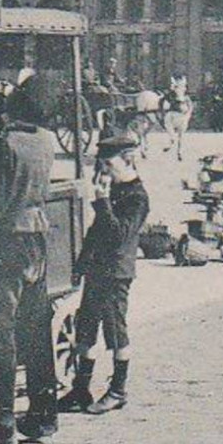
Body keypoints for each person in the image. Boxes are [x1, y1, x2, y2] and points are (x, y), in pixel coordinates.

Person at [0, 73, 60, 444]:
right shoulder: (45, 141)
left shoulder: (7, 146)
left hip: (6, 243)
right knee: (35, 329)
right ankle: (43, 414)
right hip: (36, 238)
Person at [59, 129, 150, 415]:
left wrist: (101, 202)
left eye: (109, 166)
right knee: (85, 330)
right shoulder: (115, 192)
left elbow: (117, 236)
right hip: (97, 271)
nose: (104, 172)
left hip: (116, 273)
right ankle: (81, 389)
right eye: (101, 166)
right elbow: (95, 233)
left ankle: (118, 390)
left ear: (128, 160)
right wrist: (81, 265)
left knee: (115, 332)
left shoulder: (137, 197)